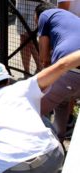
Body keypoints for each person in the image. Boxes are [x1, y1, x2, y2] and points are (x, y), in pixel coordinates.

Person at [35, 2, 80, 142]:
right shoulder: (71, 18)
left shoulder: (45, 15)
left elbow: (44, 58)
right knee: (63, 102)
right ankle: (59, 140)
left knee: (32, 110)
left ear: (37, 16)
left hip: (70, 69)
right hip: (73, 72)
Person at [15, 0, 41, 75]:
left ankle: (40, 67)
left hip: (36, 4)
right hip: (22, 3)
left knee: (31, 37)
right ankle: (26, 71)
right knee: (23, 36)